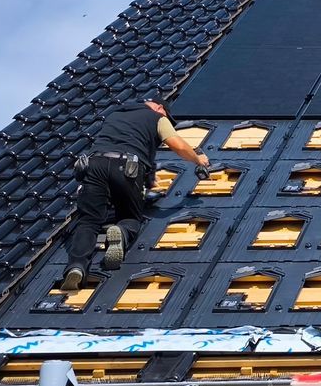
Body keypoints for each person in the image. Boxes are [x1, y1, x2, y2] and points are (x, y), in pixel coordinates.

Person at [61, 99, 210, 291]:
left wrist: (148, 178)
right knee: (130, 216)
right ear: (158, 107)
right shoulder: (157, 117)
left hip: (93, 164)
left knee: (88, 221)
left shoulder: (115, 115)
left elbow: (133, 143)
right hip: (126, 167)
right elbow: (177, 145)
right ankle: (120, 234)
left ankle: (76, 267)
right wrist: (198, 159)